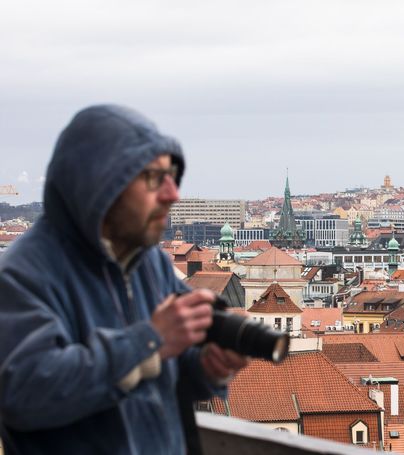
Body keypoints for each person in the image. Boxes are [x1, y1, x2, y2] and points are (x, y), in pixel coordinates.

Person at [0, 105, 247, 454]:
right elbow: (25, 395)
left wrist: (209, 365)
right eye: (152, 178)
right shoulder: (22, 275)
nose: (172, 194)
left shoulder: (150, 264)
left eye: (171, 176)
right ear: (100, 185)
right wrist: (150, 339)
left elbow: (169, 373)